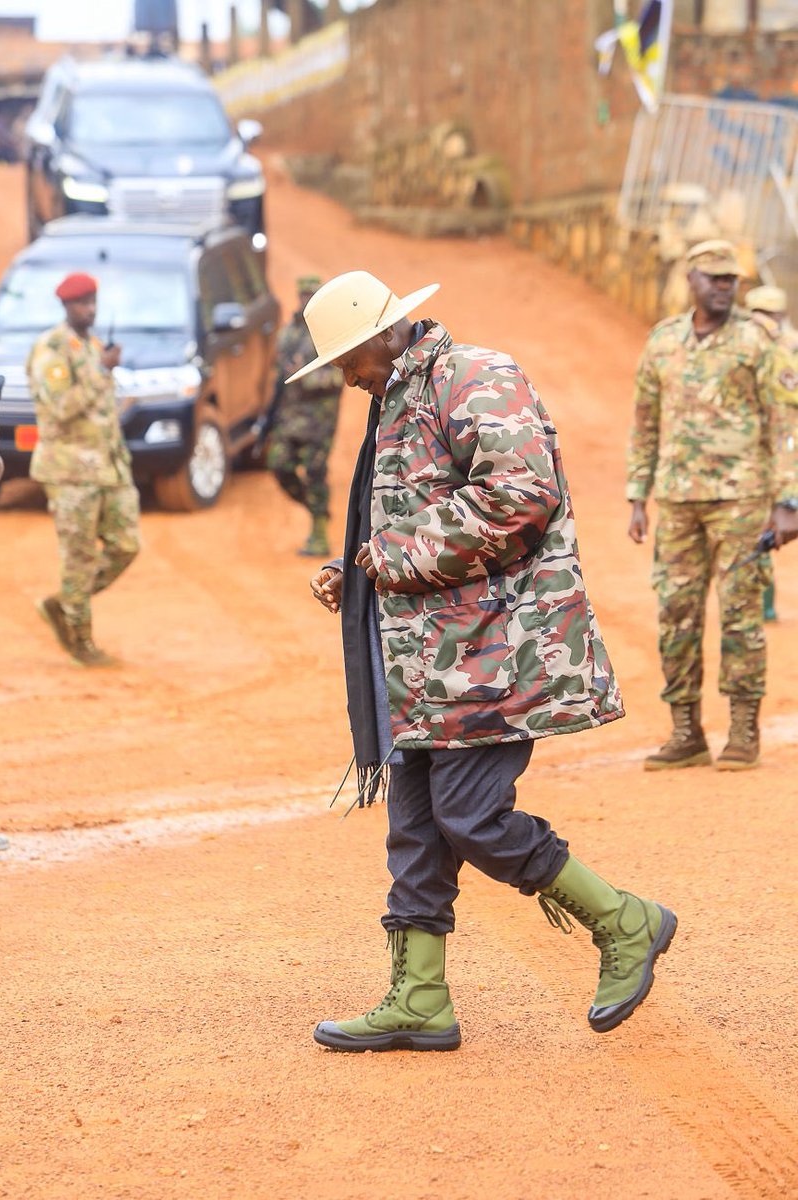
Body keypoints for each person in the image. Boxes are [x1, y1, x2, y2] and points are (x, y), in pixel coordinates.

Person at [293, 269, 676, 1052]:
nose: (345, 378)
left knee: (470, 817)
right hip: (426, 665)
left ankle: (622, 920)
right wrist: (357, 569)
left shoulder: (474, 377)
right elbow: (410, 514)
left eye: (347, 360)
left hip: (494, 653)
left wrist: (391, 556)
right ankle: (420, 998)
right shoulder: (397, 398)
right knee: (415, 828)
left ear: (383, 336)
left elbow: (520, 495)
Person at [627, 241, 798, 772]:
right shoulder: (663, 341)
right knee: (675, 613)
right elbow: (646, 420)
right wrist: (638, 494)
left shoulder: (759, 340)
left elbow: (785, 421)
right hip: (677, 501)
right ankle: (687, 732)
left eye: (732, 279)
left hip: (742, 499)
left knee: (741, 614)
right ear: (692, 279)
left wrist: (789, 499)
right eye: (715, 278)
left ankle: (743, 730)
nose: (725, 286)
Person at [27, 272, 141, 667]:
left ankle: (63, 603)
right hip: (69, 473)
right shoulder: (51, 349)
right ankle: (81, 641)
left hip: (108, 469)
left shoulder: (92, 347)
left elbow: (103, 413)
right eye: (81, 303)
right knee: (78, 558)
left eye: (93, 302)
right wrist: (101, 371)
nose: (89, 309)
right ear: (65, 305)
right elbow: (60, 407)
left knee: (127, 545)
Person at [266, 275, 344, 557]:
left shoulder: (329, 333)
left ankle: (319, 533)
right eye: (303, 294)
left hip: (319, 420)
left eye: (312, 294)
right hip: (289, 418)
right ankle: (317, 510)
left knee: (315, 474)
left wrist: (305, 377)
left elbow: (339, 377)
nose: (306, 299)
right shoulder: (288, 333)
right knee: (279, 465)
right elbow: (277, 374)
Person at [744, 285, 798, 622]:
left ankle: (762, 603)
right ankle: (763, 603)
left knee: (761, 523)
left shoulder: (784, 348)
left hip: (778, 448)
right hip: (764, 450)